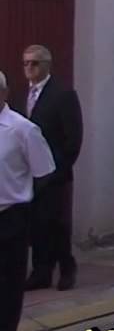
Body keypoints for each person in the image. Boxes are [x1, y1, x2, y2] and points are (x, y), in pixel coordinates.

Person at [11, 45, 82, 292]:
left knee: (57, 224)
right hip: (28, 174)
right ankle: (41, 272)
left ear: (46, 65)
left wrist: (57, 170)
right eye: (25, 63)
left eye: (34, 63)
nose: (29, 68)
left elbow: (73, 139)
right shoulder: (22, 96)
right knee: (37, 225)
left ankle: (66, 268)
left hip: (54, 173)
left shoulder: (63, 95)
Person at [0, 70, 55, 331]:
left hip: (11, 215)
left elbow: (44, 172)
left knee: (7, 286)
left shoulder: (23, 129)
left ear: (4, 94)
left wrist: (29, 209)